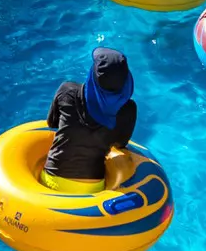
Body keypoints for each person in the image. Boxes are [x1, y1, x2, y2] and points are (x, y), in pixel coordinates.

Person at [42, 48, 137, 193]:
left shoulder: (67, 91)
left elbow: (52, 123)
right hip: (92, 188)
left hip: (52, 180)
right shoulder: (128, 110)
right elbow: (120, 144)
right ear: (126, 81)